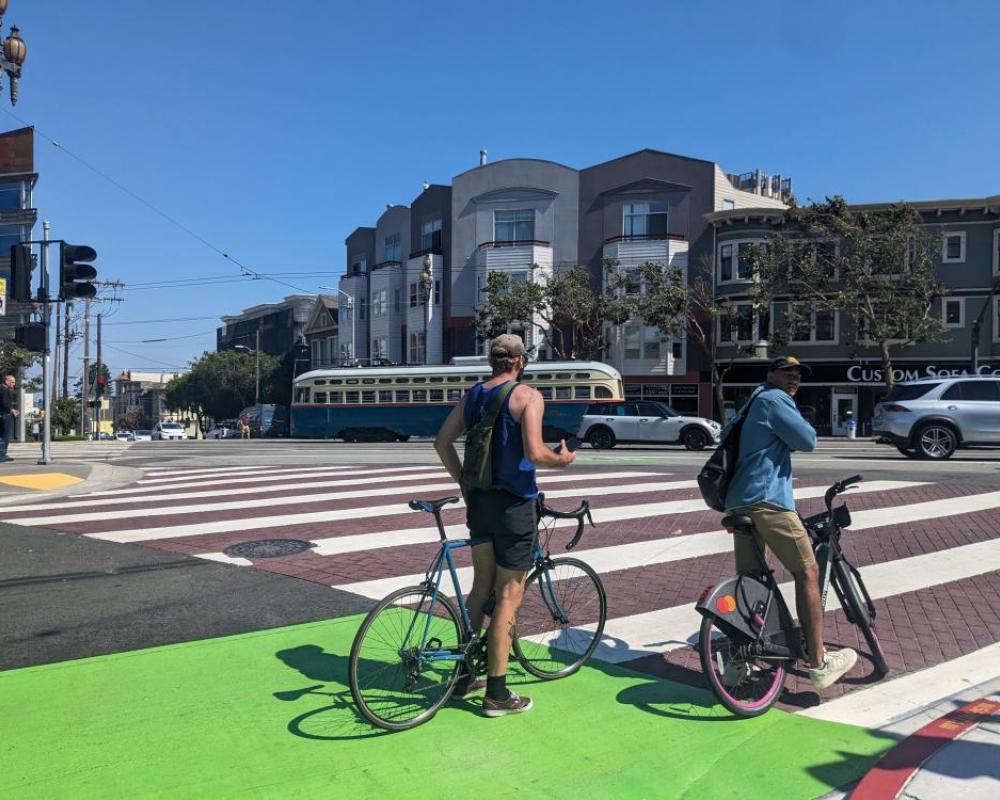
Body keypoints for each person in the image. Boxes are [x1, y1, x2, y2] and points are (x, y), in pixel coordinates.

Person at [434, 334, 576, 716]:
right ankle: (497, 693)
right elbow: (534, 452)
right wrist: (561, 459)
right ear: (519, 362)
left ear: (491, 361)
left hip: (479, 503)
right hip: (514, 506)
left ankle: (465, 673)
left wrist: (465, 482)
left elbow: (442, 441)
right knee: (509, 595)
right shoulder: (527, 396)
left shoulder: (474, 394)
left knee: (481, 586)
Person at [724, 356, 857, 689]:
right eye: (787, 372)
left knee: (752, 581)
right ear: (771, 375)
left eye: (798, 374)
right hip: (768, 501)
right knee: (807, 572)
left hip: (738, 501)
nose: (794, 378)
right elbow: (808, 440)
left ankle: (740, 663)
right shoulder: (774, 399)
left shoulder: (751, 400)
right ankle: (818, 662)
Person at [0, 374, 18, 462]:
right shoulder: (4, 390)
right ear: (7, 381)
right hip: (5, 415)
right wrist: (12, 410)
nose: (14, 384)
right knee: (5, 436)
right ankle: (2, 454)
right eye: (12, 382)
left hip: (2, 414)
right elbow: (5, 403)